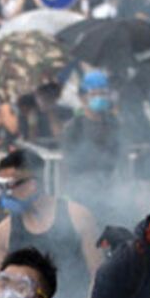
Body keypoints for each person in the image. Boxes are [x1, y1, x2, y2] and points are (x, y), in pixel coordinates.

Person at [0, 147, 101, 298]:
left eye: (8, 186)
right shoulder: (4, 231)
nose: (3, 195)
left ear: (32, 184)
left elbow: (98, 274)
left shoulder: (78, 216)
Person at [61, 70, 122, 224]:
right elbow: (68, 163)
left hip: (111, 191)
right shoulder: (74, 127)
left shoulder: (114, 123)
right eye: (95, 94)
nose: (100, 98)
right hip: (83, 192)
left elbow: (121, 154)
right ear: (82, 97)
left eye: (103, 93)